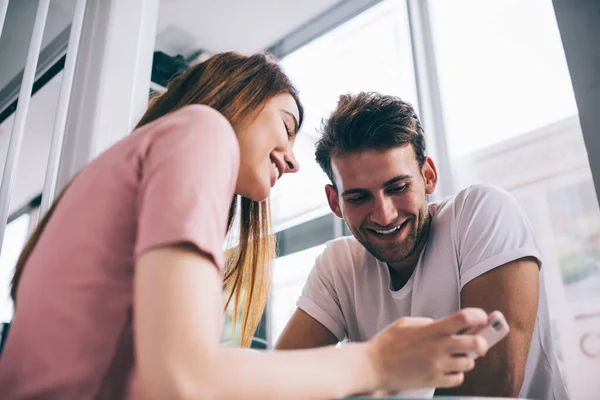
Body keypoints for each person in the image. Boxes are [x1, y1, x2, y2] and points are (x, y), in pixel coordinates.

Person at [0, 54, 491, 400]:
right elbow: (183, 378)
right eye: (286, 125)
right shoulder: (202, 129)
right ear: (240, 96)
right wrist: (376, 363)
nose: (294, 161)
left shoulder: (118, 174)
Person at [276, 92, 569, 400]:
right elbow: (275, 384)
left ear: (428, 177)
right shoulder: (338, 266)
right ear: (335, 202)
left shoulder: (481, 213)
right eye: (358, 198)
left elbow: (491, 388)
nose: (384, 214)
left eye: (398, 187)